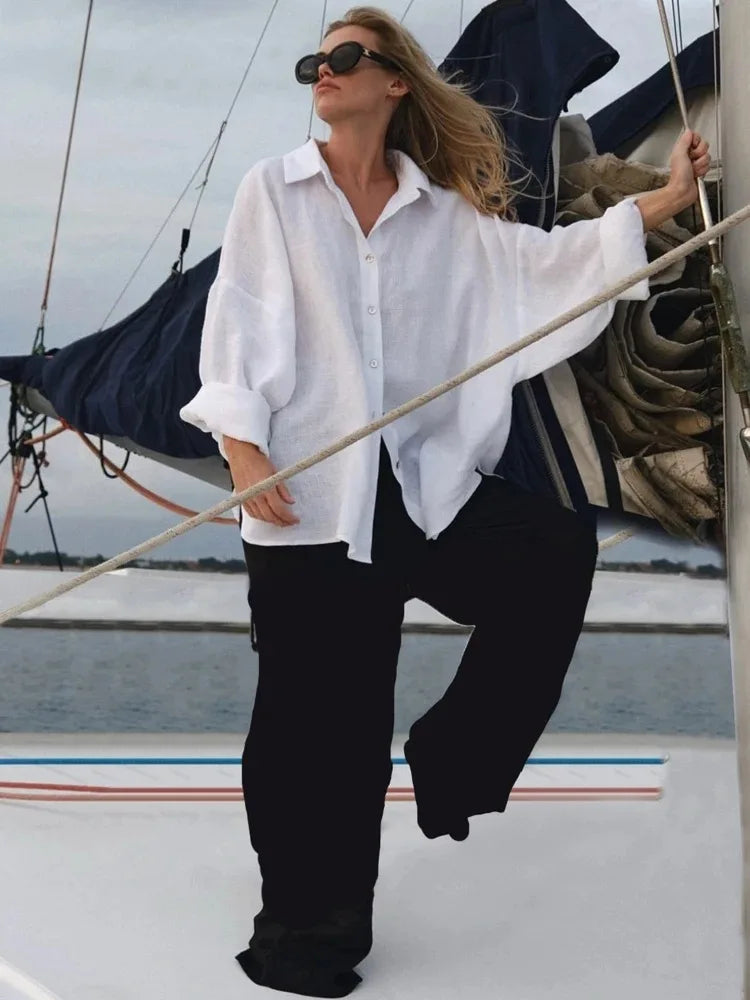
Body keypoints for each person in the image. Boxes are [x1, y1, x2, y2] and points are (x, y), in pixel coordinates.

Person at [179, 6, 711, 996]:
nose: (324, 71)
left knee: (553, 552)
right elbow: (239, 323)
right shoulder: (274, 192)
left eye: (346, 57)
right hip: (306, 500)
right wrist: (243, 448)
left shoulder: (443, 216)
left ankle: (456, 759)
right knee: (318, 729)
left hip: (418, 491)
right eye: (315, 61)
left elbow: (542, 267)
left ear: (395, 83)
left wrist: (668, 200)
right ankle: (309, 933)